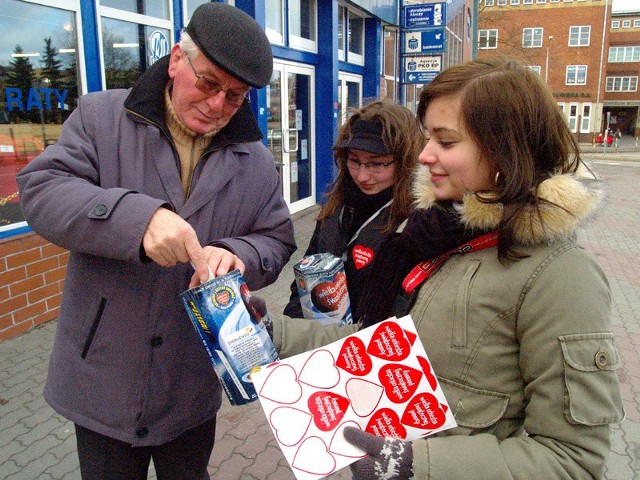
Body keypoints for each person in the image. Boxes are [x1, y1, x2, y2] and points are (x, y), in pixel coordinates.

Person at [269, 56, 624, 479]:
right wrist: (276, 334)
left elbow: (572, 461)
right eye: (426, 138)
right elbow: (378, 346)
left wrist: (419, 464)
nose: (423, 155)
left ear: (503, 150)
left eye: (446, 141)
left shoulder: (560, 276)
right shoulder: (434, 234)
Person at [16, 3, 296, 479]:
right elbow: (41, 191)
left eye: (235, 97)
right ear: (175, 60)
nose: (217, 105)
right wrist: (137, 220)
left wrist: (238, 255)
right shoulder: (102, 117)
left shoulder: (254, 160)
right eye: (208, 83)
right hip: (104, 376)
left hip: (189, 382)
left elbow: (276, 238)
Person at [282, 100, 424, 321]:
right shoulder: (337, 207)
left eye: (377, 164)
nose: (362, 176)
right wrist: (291, 324)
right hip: (319, 341)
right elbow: (305, 277)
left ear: (405, 162)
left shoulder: (417, 223)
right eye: (354, 161)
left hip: (368, 347)